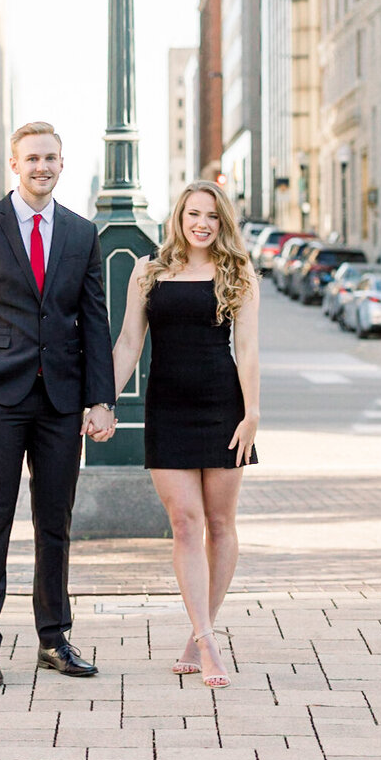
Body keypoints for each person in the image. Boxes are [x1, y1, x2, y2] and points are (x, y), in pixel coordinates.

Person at [0, 121, 117, 688]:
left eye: (51, 157)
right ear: (14, 164)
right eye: (32, 158)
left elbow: (94, 321)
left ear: (61, 164)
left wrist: (99, 399)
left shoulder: (80, 232)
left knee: (55, 523)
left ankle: (53, 640)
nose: (42, 166)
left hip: (62, 400)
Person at [111, 179, 260, 690]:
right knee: (184, 521)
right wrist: (104, 400)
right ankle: (208, 639)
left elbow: (249, 348)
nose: (202, 223)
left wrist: (253, 412)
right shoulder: (148, 271)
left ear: (223, 223)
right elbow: (129, 342)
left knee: (219, 524)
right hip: (168, 407)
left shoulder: (237, 273)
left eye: (212, 216)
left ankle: (199, 633)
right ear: (178, 216)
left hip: (224, 408)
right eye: (194, 213)